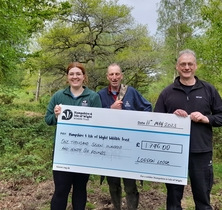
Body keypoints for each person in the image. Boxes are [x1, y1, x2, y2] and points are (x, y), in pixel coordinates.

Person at [154, 49, 222, 210]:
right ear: (177, 67)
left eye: (190, 64)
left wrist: (206, 118)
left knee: (203, 199)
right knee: (173, 200)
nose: (186, 67)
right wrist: (171, 117)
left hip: (201, 151)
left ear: (195, 66)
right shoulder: (167, 93)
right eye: (183, 64)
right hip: (174, 152)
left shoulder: (208, 90)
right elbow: (156, 121)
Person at [45, 62, 102, 210]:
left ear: (84, 77)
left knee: (80, 189)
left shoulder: (93, 97)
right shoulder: (58, 96)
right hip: (62, 153)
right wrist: (56, 116)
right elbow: (48, 120)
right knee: (61, 190)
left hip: (84, 153)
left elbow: (99, 124)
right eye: (72, 74)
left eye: (78, 74)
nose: (75, 77)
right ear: (67, 77)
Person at [98, 63, 152, 210]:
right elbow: (93, 116)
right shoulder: (100, 95)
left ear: (121, 76)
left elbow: (147, 108)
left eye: (117, 74)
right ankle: (116, 207)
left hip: (129, 147)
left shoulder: (131, 92)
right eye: (111, 74)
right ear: (107, 77)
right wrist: (110, 109)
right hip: (109, 147)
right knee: (113, 184)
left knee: (130, 185)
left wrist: (135, 120)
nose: (114, 77)